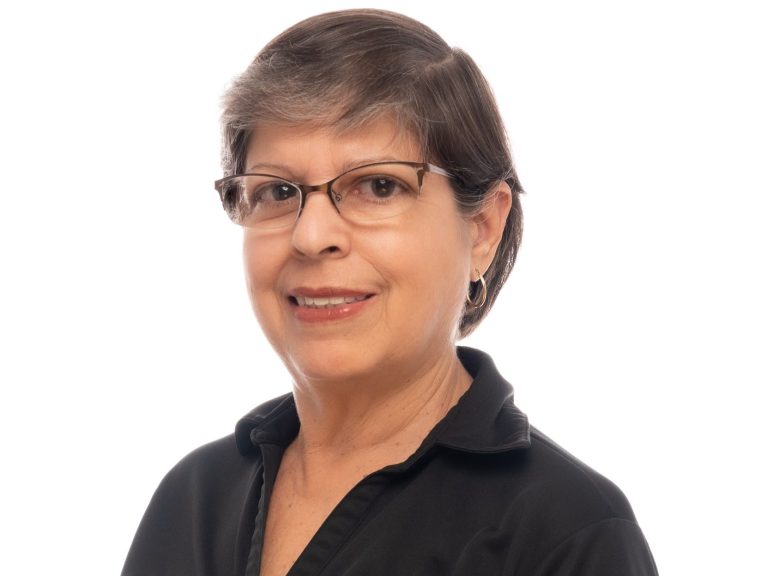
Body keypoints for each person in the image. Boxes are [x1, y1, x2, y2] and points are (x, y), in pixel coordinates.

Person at [122, 9, 658, 576]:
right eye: (278, 190)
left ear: (483, 229)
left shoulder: (565, 533)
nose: (312, 236)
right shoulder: (192, 499)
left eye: (379, 186)